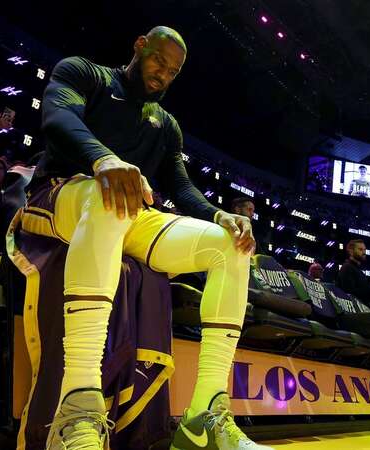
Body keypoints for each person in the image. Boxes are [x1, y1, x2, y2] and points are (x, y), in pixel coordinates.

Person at [22, 26, 266, 450]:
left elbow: (180, 184)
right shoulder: (85, 73)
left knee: (229, 247)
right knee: (110, 198)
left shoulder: (166, 124)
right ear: (139, 45)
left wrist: (219, 215)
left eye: (172, 72)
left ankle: (203, 418)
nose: (163, 76)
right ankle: (76, 410)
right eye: (158, 61)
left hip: (126, 211)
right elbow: (57, 118)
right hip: (59, 194)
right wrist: (104, 159)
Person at [335, 240, 370, 304]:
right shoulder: (347, 268)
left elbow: (366, 297)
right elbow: (350, 294)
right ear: (351, 251)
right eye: (360, 249)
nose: (364, 252)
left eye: (364, 250)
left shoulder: (358, 270)